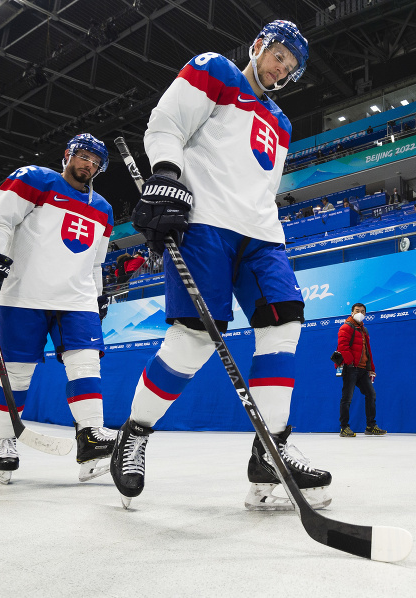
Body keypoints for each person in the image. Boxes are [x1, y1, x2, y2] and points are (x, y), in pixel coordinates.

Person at [111, 20, 332, 511]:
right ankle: (135, 432)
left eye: (291, 68)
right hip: (205, 223)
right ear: (257, 45)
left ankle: (269, 450)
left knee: (285, 324)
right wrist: (166, 176)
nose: (281, 70)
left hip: (261, 234)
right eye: (278, 57)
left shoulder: (283, 123)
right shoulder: (215, 70)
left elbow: (261, 183)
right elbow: (165, 125)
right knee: (192, 340)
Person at [0, 133, 115, 484]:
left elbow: (95, 262)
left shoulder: (103, 208)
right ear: (68, 155)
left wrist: (98, 295)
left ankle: (90, 437)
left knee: (86, 363)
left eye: (96, 161)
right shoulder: (33, 179)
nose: (88, 164)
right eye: (83, 156)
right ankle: (4, 439)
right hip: (23, 294)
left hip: (76, 300)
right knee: (15, 373)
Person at [337, 303, 385, 437]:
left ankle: (371, 426)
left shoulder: (364, 330)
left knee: (371, 394)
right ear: (352, 312)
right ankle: (344, 428)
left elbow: (368, 351)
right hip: (351, 368)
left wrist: (371, 369)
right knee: (347, 398)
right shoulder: (345, 327)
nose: (360, 313)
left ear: (365, 314)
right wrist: (350, 363)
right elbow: (342, 347)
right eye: (357, 311)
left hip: (363, 369)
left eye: (362, 311)